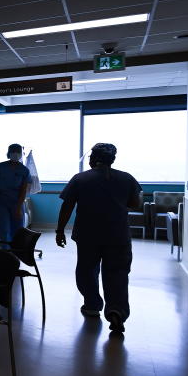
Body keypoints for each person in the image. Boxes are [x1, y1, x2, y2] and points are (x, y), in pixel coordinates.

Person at [55, 142, 142, 333]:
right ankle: (116, 311)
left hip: (88, 235)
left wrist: (60, 230)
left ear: (93, 159)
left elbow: (67, 206)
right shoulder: (127, 178)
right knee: (118, 273)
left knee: (87, 271)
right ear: (112, 159)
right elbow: (135, 203)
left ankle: (93, 305)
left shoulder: (80, 179)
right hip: (118, 236)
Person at [0, 143, 30, 246]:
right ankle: (6, 252)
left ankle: (16, 252)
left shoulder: (24, 170)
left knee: (17, 229)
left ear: (21, 154)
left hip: (16, 202)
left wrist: (18, 207)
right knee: (4, 229)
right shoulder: (0, 167)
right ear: (8, 154)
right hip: (1, 202)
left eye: (17, 152)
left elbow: (23, 190)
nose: (15, 154)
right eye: (13, 152)